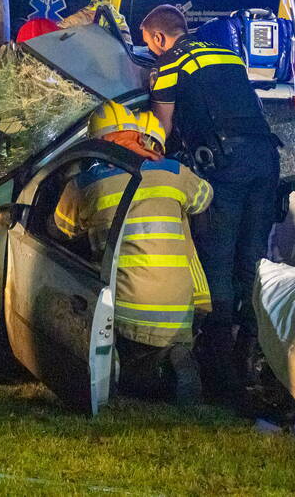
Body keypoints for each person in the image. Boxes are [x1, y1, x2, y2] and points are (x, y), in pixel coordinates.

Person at [143, 4, 279, 404]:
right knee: (252, 260)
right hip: (265, 161)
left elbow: (161, 129)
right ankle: (253, 351)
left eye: (152, 44)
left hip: (225, 165)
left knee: (217, 260)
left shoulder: (170, 63)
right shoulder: (227, 53)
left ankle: (219, 367)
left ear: (157, 38)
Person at [54, 101, 213, 404]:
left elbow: (60, 228)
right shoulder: (175, 172)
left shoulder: (85, 183)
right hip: (180, 310)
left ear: (98, 142)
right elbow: (205, 197)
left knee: (124, 370)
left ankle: (152, 372)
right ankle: (173, 358)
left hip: (126, 314)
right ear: (139, 136)